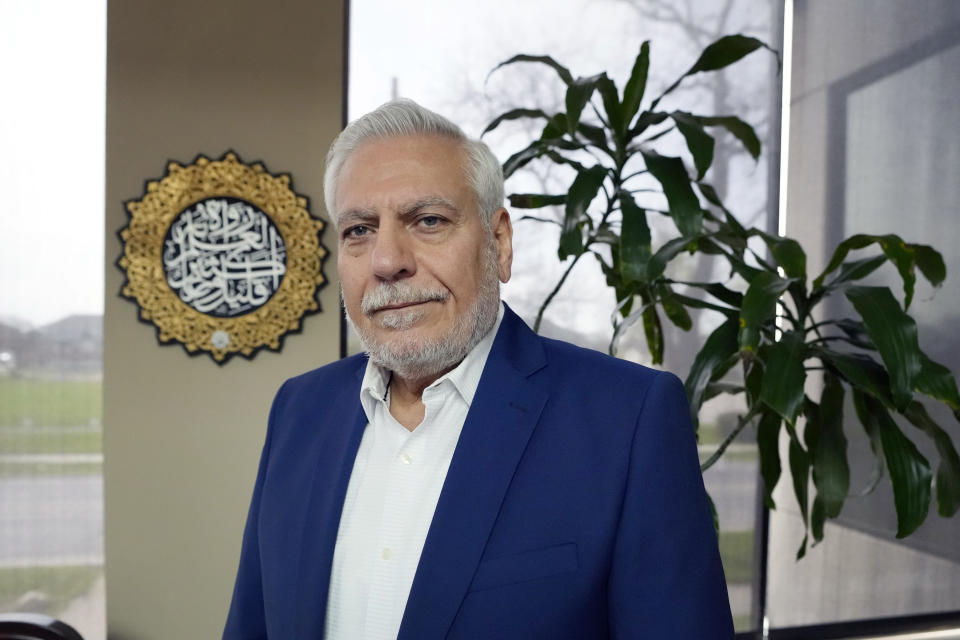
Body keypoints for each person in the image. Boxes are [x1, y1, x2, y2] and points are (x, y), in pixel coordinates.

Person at [223, 99, 733, 639]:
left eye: (428, 221)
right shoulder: (299, 411)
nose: (387, 260)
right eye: (359, 230)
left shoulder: (627, 420)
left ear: (499, 243)